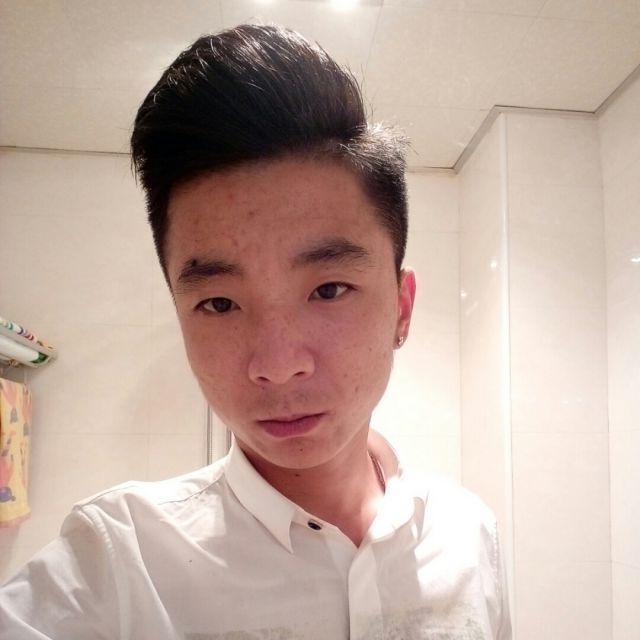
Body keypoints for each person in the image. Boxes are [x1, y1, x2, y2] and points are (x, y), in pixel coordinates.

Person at [0, 24, 511, 639]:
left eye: (328, 289)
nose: (276, 363)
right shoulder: (120, 562)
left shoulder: (467, 534)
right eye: (219, 303)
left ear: (401, 309)